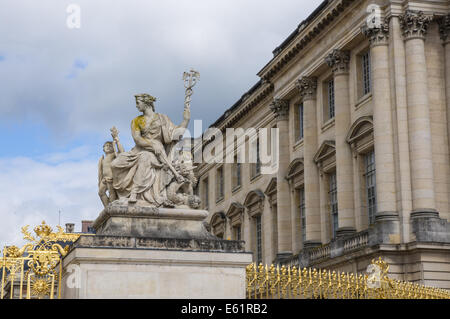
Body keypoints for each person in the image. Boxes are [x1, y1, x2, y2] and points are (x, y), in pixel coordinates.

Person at [111, 94, 190, 206]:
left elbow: (175, 134)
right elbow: (137, 139)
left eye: (138, 103)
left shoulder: (162, 118)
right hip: (139, 150)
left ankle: (134, 192)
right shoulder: (136, 121)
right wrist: (151, 144)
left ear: (146, 103)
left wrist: (186, 120)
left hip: (156, 154)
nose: (137, 106)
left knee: (145, 158)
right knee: (115, 164)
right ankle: (122, 194)